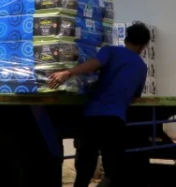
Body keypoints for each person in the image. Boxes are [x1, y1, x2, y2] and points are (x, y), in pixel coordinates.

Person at [48, 21, 151, 187]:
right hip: (115, 121)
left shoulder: (110, 51)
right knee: (113, 171)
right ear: (143, 46)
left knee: (84, 168)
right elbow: (135, 95)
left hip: (92, 118)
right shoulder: (141, 67)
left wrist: (68, 72)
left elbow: (93, 64)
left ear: (126, 39)